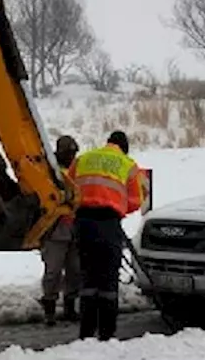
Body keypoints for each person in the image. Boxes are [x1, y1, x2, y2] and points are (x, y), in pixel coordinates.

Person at [66, 130, 145, 341]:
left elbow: (68, 189)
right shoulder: (128, 165)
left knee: (88, 278)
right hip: (109, 223)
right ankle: (107, 334)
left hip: (83, 224)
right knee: (108, 281)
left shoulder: (83, 159)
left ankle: (86, 331)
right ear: (124, 147)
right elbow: (136, 201)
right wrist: (117, 208)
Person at [40, 135, 82, 325]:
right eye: (69, 153)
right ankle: (49, 308)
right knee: (53, 272)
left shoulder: (77, 170)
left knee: (75, 270)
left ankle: (69, 307)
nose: (71, 156)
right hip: (55, 230)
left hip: (74, 228)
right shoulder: (48, 171)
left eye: (73, 153)